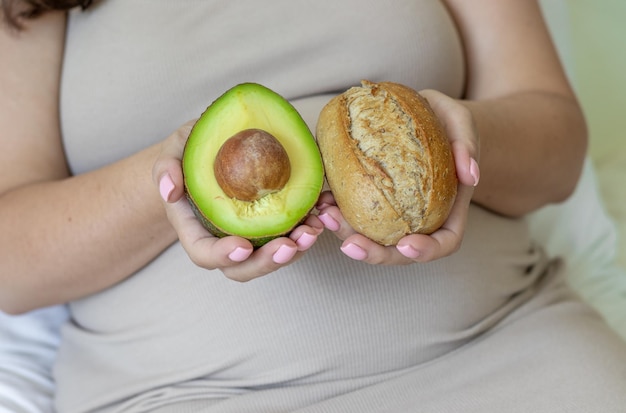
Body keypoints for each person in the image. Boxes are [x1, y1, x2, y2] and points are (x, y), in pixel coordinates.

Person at [1, 1, 625, 412]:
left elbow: (557, 148)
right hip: (190, 393)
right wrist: (169, 180)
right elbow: (11, 260)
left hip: (502, 348)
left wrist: (462, 138)